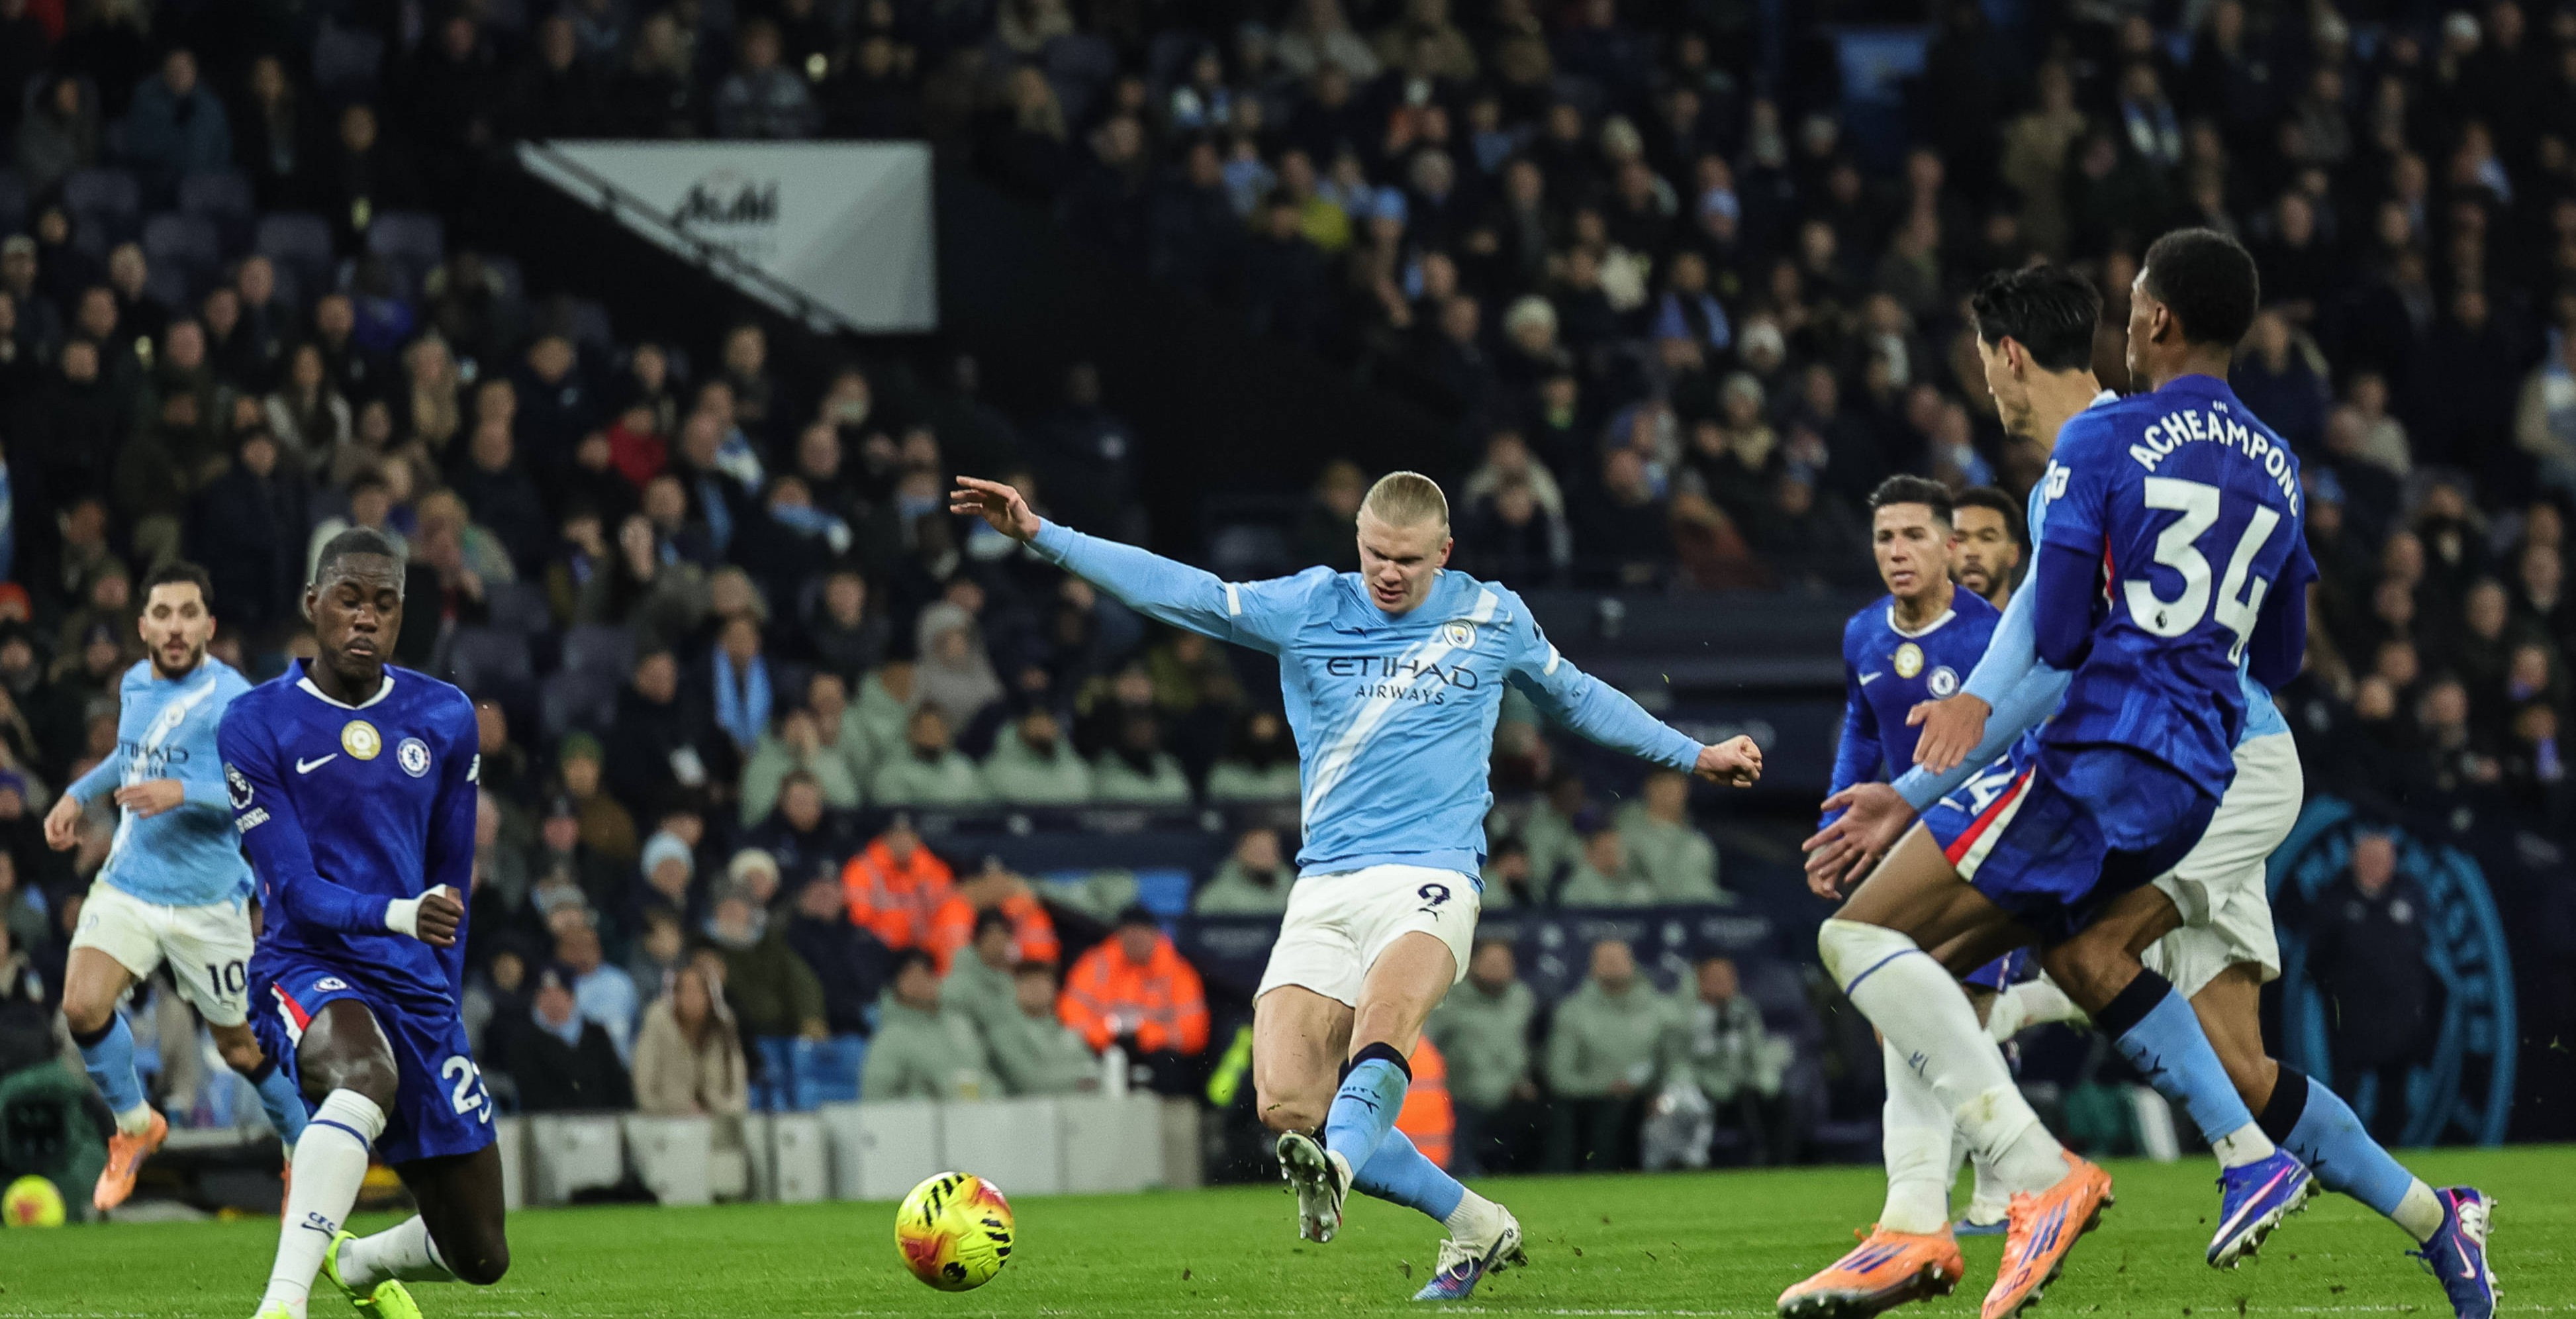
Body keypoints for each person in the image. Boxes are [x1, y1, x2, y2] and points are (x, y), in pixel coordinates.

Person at [1802, 245, 2491, 1319]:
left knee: (1931, 949)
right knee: (2233, 1063)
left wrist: (1926, 788)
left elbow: (2052, 655)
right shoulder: (2239, 453)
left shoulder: (2102, 451)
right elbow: (2212, 649)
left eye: (1983, 361)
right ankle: (2437, 1217)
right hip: (2209, 748)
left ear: (2011, 356)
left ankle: (1961, 1206)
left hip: (2202, 759)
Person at [954, 465, 1760, 1300]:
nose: (1389, 572)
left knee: (1385, 1019)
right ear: (1358, 544)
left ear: (1444, 552)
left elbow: (1579, 698)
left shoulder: (1492, 614)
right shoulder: (1310, 605)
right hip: (1326, 886)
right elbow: (1182, 592)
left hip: (1433, 876)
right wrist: (1045, 535)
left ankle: (1333, 1170)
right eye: (1376, 554)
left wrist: (1694, 754)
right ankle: (1475, 1222)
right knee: (1287, 1105)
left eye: (1409, 560)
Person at [222, 528, 508, 1318]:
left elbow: (451, 882)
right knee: (364, 1074)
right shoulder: (255, 722)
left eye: (383, 605)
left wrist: (440, 1000)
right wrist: (399, 915)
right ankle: (283, 1303)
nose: (364, 619)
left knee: (480, 1254)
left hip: (414, 980)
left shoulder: (445, 715)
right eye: (348, 599)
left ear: (402, 616)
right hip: (306, 961)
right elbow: (300, 891)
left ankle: (359, 1264)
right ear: (314, 604)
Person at [40, 562, 309, 1212]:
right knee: (81, 1008)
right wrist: (78, 794)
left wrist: (183, 791)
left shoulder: (235, 699)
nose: (176, 626)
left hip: (208, 904)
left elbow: (268, 793)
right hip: (129, 885)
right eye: (163, 614)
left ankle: (303, 1150)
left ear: (209, 626)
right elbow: (130, 756)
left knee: (240, 1047)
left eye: (189, 613)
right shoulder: (134, 683)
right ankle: (136, 1127)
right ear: (144, 626)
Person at [2306, 832, 2432, 1144]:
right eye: (2370, 858)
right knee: (2345, 1093)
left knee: (2394, 1098)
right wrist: (2336, 997)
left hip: (2399, 1022)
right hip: (2351, 1021)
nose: (2377, 866)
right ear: (2354, 861)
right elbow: (2315, 961)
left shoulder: (2409, 895)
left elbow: (2424, 955)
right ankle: (2339, 1152)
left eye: (2384, 859)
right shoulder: (2335, 900)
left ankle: (2393, 1157)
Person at [1541, 939, 1678, 1173]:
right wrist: (1607, 1088)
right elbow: (1560, 1075)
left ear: (1633, 964)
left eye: (1619, 959)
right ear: (1592, 967)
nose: (1613, 965)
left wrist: (1664, 1091)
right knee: (1605, 1113)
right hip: (1592, 1102)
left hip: (1650, 1098)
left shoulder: (1662, 1010)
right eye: (1606, 960)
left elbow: (1676, 1062)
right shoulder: (1572, 1012)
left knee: (1678, 1105)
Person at [1057, 906, 1210, 1092]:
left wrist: (1144, 1032)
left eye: (1141, 932)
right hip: (1103, 1047)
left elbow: (1195, 1032)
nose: (1135, 938)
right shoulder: (1096, 963)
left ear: (1155, 934)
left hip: (1156, 1053)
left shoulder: (1177, 971)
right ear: (1118, 935)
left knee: (1171, 1066)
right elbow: (1071, 1015)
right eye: (1129, 932)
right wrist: (1108, 1031)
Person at [1429, 940, 1535, 1176]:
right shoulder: (1448, 1000)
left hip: (1511, 1093)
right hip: (1460, 1092)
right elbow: (1428, 1044)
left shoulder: (1522, 999)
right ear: (1473, 963)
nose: (1497, 969)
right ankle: (1463, 1172)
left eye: (1503, 963)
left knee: (1544, 1117)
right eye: (1490, 962)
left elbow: (1522, 1045)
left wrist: (1522, 1079)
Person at [859, 950, 996, 1100]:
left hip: (980, 1115)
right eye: (912, 976)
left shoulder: (960, 1025)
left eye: (927, 974)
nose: (922, 982)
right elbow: (875, 1100)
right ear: (897, 986)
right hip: (925, 1120)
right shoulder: (890, 1039)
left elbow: (985, 1074)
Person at [630, 963, 749, 1120]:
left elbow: (738, 1086)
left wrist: (724, 1110)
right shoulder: (658, 1021)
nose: (691, 997)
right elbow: (643, 1083)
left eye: (698, 991)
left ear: (709, 996)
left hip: (719, 1121)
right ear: (675, 995)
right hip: (667, 1121)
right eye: (684, 991)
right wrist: (670, 1110)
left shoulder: (724, 1023)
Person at [985, 960, 1098, 1097]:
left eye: (1043, 981)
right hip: (1020, 1113)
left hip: (1070, 1112)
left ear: (1054, 989)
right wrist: (1079, 1081)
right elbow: (1030, 1082)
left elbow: (1093, 1074)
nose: (1036, 988)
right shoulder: (1003, 1033)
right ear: (1014, 988)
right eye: (1029, 981)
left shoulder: (1069, 1034)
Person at [1950, 487, 2026, 609]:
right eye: (1960, 539)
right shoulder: (1921, 625)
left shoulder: (2037, 625)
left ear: (2014, 554)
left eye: (1987, 539)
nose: (1972, 553)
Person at [1193, 826, 1295, 915]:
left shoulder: (1291, 887)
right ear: (1241, 853)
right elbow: (1203, 930)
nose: (1267, 857)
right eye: (1260, 851)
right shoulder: (1218, 894)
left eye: (1272, 850)